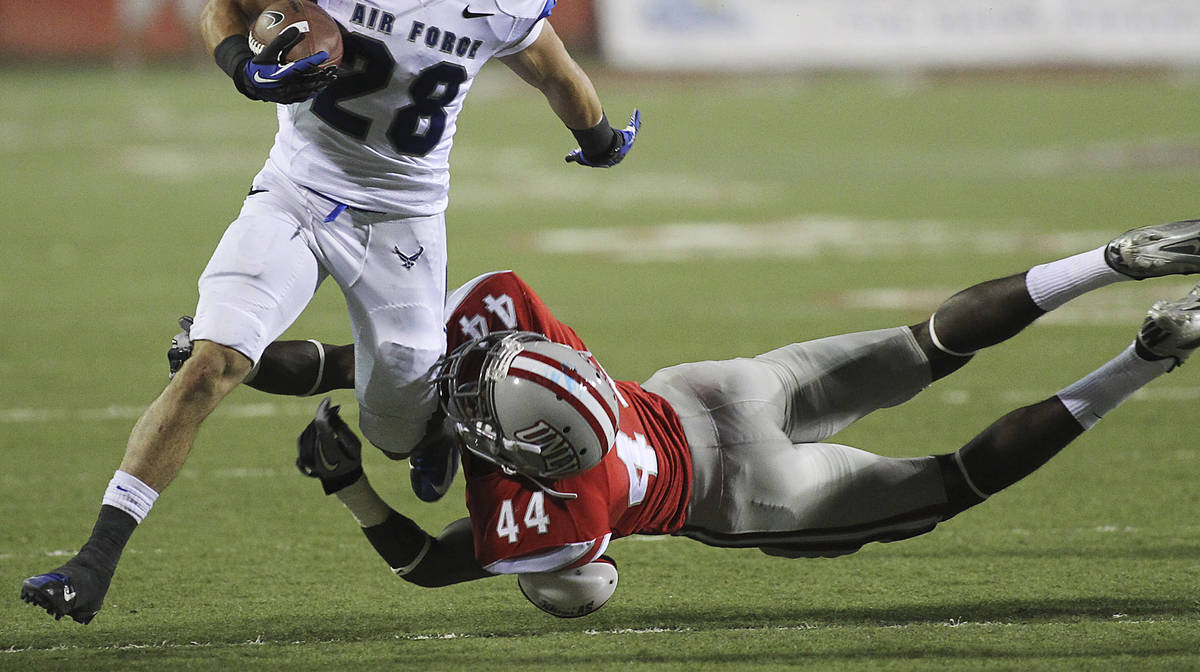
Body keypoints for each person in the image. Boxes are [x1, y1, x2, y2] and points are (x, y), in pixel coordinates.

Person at [20, 0, 639, 626]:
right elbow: (228, 6)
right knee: (212, 363)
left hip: (404, 223)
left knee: (394, 428)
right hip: (297, 190)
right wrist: (242, 70)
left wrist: (600, 138)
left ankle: (412, 403)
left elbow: (557, 74)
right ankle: (94, 562)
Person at [75, 219, 1200, 616]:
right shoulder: (522, 342)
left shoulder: (553, 514)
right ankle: (1098, 261)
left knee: (946, 482)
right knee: (922, 346)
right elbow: (384, 358)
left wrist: (351, 482)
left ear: (522, 451)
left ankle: (1139, 359)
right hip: (714, 390)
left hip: (738, 492)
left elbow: (427, 563)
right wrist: (229, 353)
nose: (463, 389)